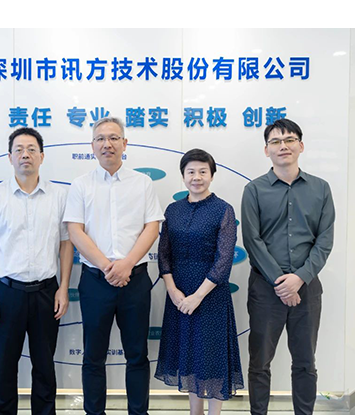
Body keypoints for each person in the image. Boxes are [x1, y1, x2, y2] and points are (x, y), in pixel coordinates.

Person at [63, 117, 164, 415]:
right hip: (95, 281)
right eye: (100, 139)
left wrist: (126, 265)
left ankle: (138, 412)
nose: (107, 144)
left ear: (124, 143)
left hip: (135, 280)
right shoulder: (80, 185)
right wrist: (108, 266)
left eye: (113, 138)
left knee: (137, 355)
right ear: (92, 146)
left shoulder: (142, 183)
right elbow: (75, 231)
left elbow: (152, 227)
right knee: (93, 356)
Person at [0, 127, 73, 415]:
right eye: (18, 150)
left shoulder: (59, 196)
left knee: (44, 366)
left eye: (31, 149)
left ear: (42, 156)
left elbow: (66, 244)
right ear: (10, 157)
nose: (25, 154)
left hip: (46, 292)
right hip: (7, 293)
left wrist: (63, 288)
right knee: (4, 366)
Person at [241, 118, 335, 415]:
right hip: (265, 290)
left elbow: (325, 240)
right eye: (276, 141)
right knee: (260, 362)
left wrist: (299, 278)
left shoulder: (321, 189)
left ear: (301, 146)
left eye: (289, 140)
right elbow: (252, 240)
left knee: (305, 362)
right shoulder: (254, 190)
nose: (283, 146)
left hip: (307, 289)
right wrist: (281, 282)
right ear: (266, 150)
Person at [154, 148, 244, 415]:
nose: (197, 177)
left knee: (212, 356)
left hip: (211, 294)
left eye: (203, 171)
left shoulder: (223, 210)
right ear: (183, 176)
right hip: (179, 294)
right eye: (191, 172)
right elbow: (164, 253)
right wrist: (172, 290)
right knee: (190, 354)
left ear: (212, 175)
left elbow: (224, 259)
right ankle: (195, 412)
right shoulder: (173, 210)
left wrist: (198, 296)